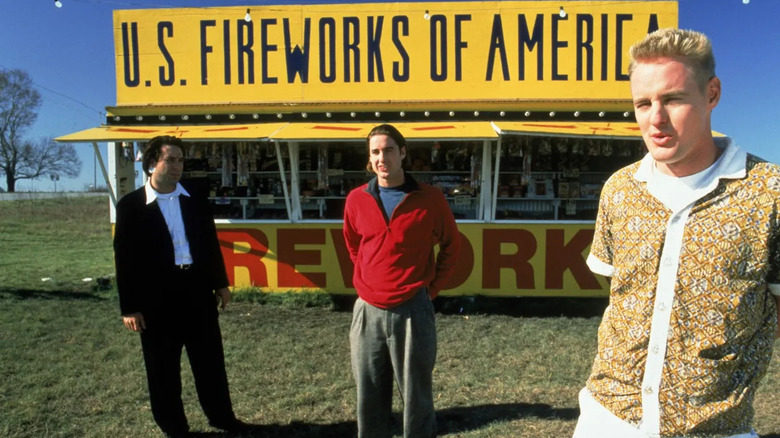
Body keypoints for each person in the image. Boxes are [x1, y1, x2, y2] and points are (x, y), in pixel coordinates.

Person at [573, 28, 780, 438]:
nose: (656, 118)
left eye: (672, 99)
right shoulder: (620, 189)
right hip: (606, 418)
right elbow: (622, 297)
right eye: (643, 103)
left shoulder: (769, 194)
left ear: (712, 94)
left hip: (715, 427)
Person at [114, 135, 249, 437]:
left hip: (197, 292)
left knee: (210, 364)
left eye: (180, 160)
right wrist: (130, 307)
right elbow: (125, 260)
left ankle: (223, 418)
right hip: (156, 300)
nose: (177, 165)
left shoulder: (195, 198)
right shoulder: (131, 206)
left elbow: (210, 245)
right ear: (151, 163)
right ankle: (175, 428)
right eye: (170, 159)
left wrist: (221, 284)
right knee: (162, 370)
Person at [343, 124, 461, 438]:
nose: (382, 158)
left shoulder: (430, 199)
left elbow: (452, 244)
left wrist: (430, 289)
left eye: (389, 150)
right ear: (370, 159)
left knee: (416, 397)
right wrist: (368, 281)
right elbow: (354, 245)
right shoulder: (356, 199)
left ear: (403, 152)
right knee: (368, 395)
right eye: (375, 152)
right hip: (367, 310)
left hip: (413, 309)